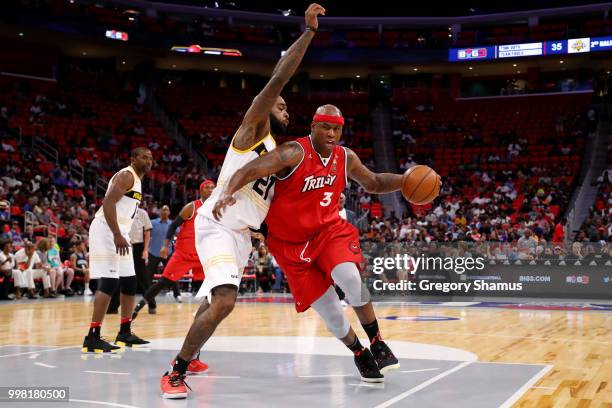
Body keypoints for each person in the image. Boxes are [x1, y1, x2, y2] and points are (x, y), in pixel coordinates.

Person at [160, 4, 324, 399]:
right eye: (279, 103)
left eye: (285, 105)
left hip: (240, 234)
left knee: (217, 298)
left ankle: (192, 354)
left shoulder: (276, 155)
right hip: (217, 223)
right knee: (226, 300)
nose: (284, 107)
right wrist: (308, 34)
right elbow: (279, 78)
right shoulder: (253, 129)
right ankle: (175, 372)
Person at [213, 105, 441, 382]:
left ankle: (377, 341)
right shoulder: (293, 153)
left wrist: (405, 180)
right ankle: (359, 353)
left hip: (328, 231)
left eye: (337, 129)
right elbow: (252, 168)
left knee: (350, 277)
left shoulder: (346, 157)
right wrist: (226, 192)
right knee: (331, 312)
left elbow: (374, 182)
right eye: (326, 127)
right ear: (313, 127)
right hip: (289, 244)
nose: (332, 134)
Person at [82, 147, 153, 353]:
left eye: (150, 158)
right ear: (133, 158)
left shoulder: (137, 180)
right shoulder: (126, 175)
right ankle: (92, 336)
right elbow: (108, 202)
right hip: (106, 230)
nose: (148, 161)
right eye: (143, 157)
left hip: (120, 233)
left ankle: (124, 332)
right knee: (110, 281)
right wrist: (116, 234)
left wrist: (122, 234)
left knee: (130, 282)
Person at [133, 180, 215, 320]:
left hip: (203, 255)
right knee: (164, 281)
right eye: (207, 188)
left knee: (211, 283)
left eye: (213, 187)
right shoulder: (192, 207)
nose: (211, 190)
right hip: (184, 254)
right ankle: (139, 306)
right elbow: (173, 226)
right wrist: (165, 246)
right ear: (201, 191)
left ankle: (209, 313)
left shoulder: (217, 208)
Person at [147, 205, 180, 303]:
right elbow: (147, 236)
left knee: (173, 274)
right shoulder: (152, 223)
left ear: (169, 212)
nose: (165, 211)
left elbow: (179, 236)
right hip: (153, 252)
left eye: (167, 210)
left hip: (168, 253)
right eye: (164, 209)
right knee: (148, 276)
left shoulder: (173, 224)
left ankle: (177, 294)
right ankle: (148, 295)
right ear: (160, 211)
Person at [128, 202, 152, 312]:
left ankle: (152, 304)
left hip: (138, 247)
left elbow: (147, 232)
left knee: (142, 277)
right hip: (124, 245)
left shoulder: (142, 213)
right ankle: (113, 307)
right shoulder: (121, 213)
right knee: (119, 276)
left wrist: (146, 249)